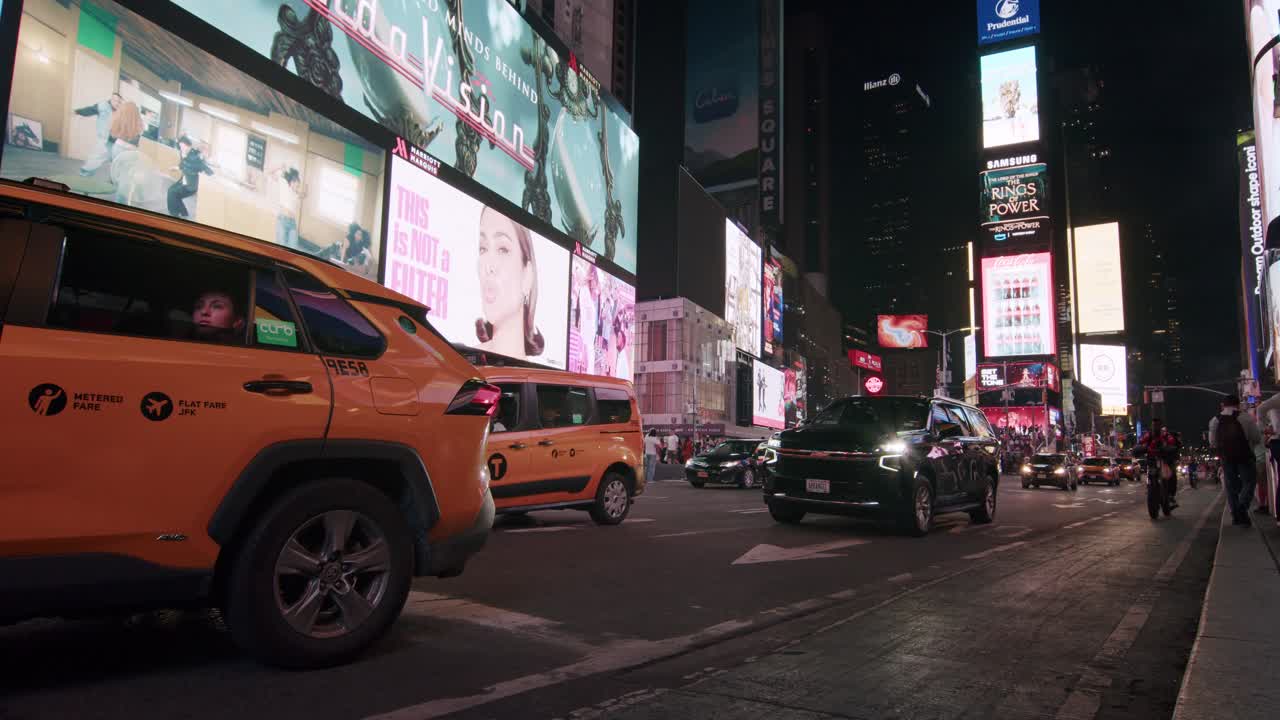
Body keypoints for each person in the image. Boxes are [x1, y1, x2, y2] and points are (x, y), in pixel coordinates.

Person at [474, 206, 545, 361]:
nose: (489, 266)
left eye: (503, 249)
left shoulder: (541, 375)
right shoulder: (460, 360)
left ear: (527, 276)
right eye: (483, 248)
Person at [1209, 395, 1265, 526]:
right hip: (1245, 456)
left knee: (1231, 486)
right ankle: (1242, 507)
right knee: (1249, 482)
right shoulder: (1245, 417)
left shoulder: (1215, 420)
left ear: (1223, 405)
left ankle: (1236, 515)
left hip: (1226, 457)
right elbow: (1257, 438)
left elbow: (1212, 442)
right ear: (1237, 405)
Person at [1138, 418, 1182, 508]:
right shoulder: (1149, 435)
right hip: (1152, 461)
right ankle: (1150, 488)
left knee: (1172, 474)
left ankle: (1170, 496)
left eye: (1157, 425)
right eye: (1154, 425)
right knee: (1150, 474)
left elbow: (1172, 443)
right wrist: (1139, 448)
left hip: (1164, 461)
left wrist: (1170, 448)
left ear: (1160, 426)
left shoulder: (1165, 435)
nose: (1155, 427)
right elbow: (1140, 442)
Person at [75, 92, 122, 176]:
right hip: (104, 138)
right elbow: (90, 110)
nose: (117, 103)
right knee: (99, 154)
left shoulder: (118, 112)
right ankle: (85, 170)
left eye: (119, 102)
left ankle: (89, 171)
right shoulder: (103, 106)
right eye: (115, 100)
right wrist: (78, 111)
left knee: (112, 156)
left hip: (113, 139)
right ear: (111, 100)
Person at [167, 136, 213, 218]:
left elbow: (207, 169)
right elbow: (182, 164)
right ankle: (181, 213)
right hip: (184, 181)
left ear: (189, 146)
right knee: (172, 192)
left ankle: (174, 214)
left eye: (183, 146)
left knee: (172, 193)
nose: (182, 149)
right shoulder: (183, 153)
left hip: (191, 186)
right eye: (181, 147)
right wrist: (176, 168)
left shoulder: (195, 157)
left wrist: (209, 176)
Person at [271, 166, 306, 250]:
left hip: (292, 223)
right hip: (282, 220)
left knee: (293, 248)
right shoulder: (284, 184)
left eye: (298, 186)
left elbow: (303, 195)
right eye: (297, 185)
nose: (297, 188)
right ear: (292, 182)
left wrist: (306, 189)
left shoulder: (296, 194)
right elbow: (270, 172)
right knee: (281, 247)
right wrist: (279, 165)